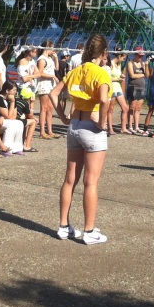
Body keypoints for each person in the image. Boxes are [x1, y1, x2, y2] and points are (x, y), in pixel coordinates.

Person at [51, 34, 112, 245]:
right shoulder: (101, 73)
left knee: (70, 179)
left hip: (74, 126)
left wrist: (63, 117)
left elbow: (53, 93)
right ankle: (89, 230)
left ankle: (63, 226)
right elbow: (104, 100)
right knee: (90, 181)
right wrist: (102, 123)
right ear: (103, 52)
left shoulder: (75, 71)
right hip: (91, 128)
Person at [34, 42, 60, 139]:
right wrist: (53, 76)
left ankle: (50, 130)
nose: (52, 50)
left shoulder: (49, 58)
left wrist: (56, 58)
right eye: (51, 48)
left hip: (50, 85)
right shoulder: (42, 59)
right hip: (44, 84)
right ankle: (42, 131)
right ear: (46, 48)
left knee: (50, 109)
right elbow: (40, 73)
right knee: (44, 108)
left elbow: (56, 68)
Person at [0, 81, 26, 153]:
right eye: (14, 90)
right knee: (11, 125)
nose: (15, 92)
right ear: (7, 90)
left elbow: (13, 117)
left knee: (19, 123)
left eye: (16, 90)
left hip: (5, 120)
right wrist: (12, 102)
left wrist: (13, 101)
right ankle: (6, 148)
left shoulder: (12, 99)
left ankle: (17, 148)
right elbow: (8, 116)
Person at [107, 49, 132, 135]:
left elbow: (117, 74)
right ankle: (110, 129)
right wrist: (117, 79)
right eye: (123, 58)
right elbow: (107, 78)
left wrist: (121, 76)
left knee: (125, 108)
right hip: (112, 88)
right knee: (110, 109)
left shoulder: (119, 64)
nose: (123, 60)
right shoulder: (110, 64)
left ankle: (123, 128)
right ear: (119, 56)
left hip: (118, 88)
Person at [125, 48, 147, 133]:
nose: (141, 57)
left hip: (142, 87)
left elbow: (147, 75)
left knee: (138, 108)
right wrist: (142, 75)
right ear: (135, 54)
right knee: (132, 107)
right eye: (139, 56)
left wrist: (146, 66)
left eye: (142, 56)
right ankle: (130, 126)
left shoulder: (143, 64)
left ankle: (136, 126)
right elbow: (132, 75)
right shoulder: (130, 63)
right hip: (133, 87)